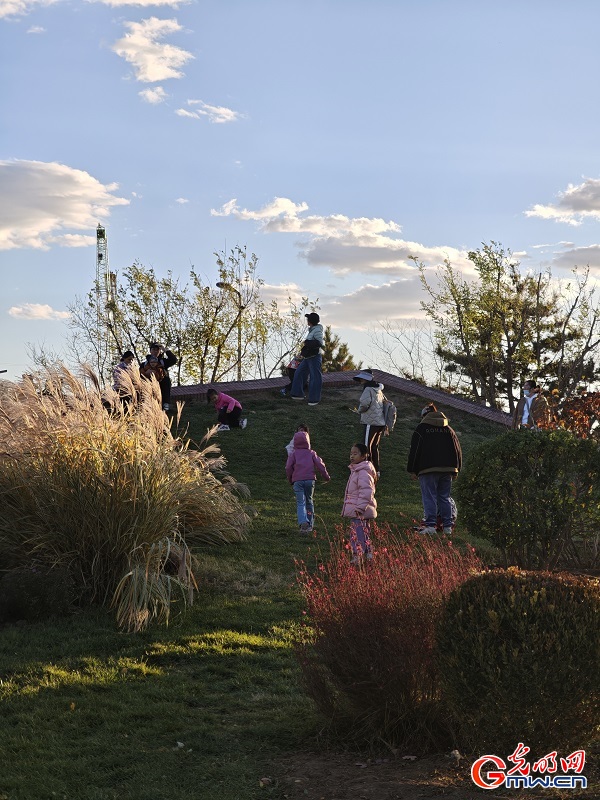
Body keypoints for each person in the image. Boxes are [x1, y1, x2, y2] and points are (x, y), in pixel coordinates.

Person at [407, 403, 462, 536]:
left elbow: (415, 450)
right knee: (444, 497)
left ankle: (431, 525)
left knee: (429, 496)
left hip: (427, 469)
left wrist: (412, 469)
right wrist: (457, 468)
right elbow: (457, 450)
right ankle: (447, 527)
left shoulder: (421, 429)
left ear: (424, 416)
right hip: (448, 469)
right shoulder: (449, 429)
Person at [285, 429, 330, 532]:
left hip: (297, 480)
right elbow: (320, 465)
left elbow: (288, 467)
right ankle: (310, 524)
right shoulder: (311, 453)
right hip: (310, 480)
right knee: (309, 501)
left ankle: (302, 522)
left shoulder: (293, 454)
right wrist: (326, 477)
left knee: (300, 502)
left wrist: (290, 479)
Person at [342, 442, 377, 564]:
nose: (352, 456)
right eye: (351, 453)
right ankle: (368, 555)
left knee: (357, 533)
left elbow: (366, 491)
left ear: (363, 456)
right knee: (363, 531)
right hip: (358, 509)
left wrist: (360, 508)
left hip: (359, 509)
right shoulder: (356, 470)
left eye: (355, 453)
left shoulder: (362, 472)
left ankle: (358, 555)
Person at [353, 369, 386, 478]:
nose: (361, 380)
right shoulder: (378, 389)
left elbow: (364, 404)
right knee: (374, 447)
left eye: (362, 378)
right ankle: (377, 470)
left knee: (366, 446)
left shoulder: (368, 389)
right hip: (380, 422)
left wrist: (359, 410)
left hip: (370, 422)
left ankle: (366, 470)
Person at [291, 312, 324, 406]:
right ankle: (297, 394)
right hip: (308, 357)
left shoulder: (317, 330)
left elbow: (319, 342)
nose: (307, 321)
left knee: (315, 377)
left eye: (308, 319)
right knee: (299, 373)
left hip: (314, 357)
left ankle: (314, 399)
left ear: (311, 321)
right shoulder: (313, 330)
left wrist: (307, 343)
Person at [141, 343, 177, 411]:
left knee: (166, 380)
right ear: (150, 351)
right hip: (150, 385)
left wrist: (165, 350)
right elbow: (140, 374)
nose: (155, 351)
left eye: (157, 350)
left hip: (162, 384)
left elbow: (174, 360)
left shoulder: (163, 361)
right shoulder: (144, 364)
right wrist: (146, 373)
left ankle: (165, 405)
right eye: (153, 349)